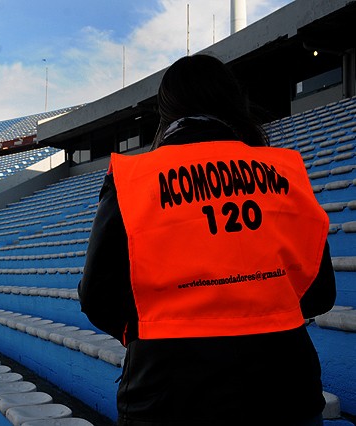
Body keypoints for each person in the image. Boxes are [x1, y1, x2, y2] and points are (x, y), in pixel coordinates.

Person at [78, 54, 336, 426]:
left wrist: (157, 328)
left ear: (166, 110)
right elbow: (319, 292)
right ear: (233, 101)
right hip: (285, 391)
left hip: (167, 394)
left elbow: (97, 296)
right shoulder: (283, 170)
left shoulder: (133, 178)